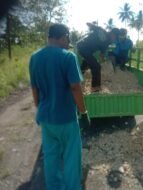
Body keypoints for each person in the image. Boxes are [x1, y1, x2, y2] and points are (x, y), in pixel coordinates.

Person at [29, 23, 87, 190]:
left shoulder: (35, 57)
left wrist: (39, 108)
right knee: (71, 157)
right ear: (63, 37)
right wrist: (83, 112)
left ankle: (54, 187)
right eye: (68, 39)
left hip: (46, 118)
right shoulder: (67, 57)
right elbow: (75, 87)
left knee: (51, 156)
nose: (68, 42)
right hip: (66, 118)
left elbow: (34, 88)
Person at [77, 23, 120, 92]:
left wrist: (104, 61)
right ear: (112, 34)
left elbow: (102, 54)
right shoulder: (102, 31)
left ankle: (77, 78)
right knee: (96, 67)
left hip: (88, 51)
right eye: (115, 37)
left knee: (88, 63)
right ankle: (95, 87)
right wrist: (92, 26)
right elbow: (90, 25)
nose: (114, 40)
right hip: (82, 46)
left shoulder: (107, 42)